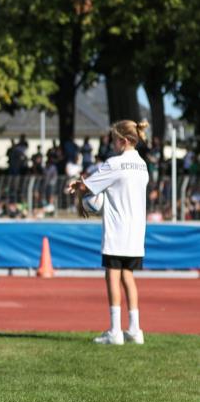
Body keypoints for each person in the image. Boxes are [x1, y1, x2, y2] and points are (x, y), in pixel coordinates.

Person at [68, 120, 149, 345]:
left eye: (113, 140)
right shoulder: (142, 164)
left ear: (123, 141)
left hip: (117, 229)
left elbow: (89, 186)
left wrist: (77, 188)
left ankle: (115, 331)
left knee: (112, 274)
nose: (111, 144)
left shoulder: (114, 163)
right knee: (128, 277)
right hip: (136, 231)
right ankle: (135, 329)